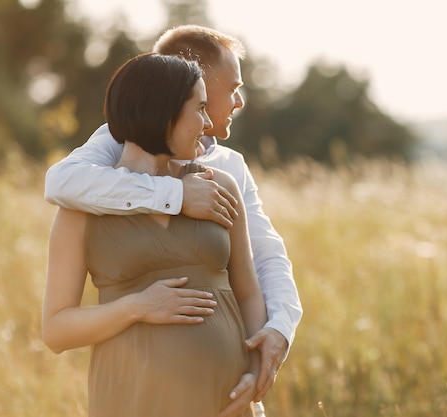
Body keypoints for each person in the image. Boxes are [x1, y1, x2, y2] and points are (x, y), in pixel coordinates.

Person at [44, 25, 302, 417]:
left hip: (226, 401)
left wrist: (256, 366)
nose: (209, 122)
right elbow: (56, 330)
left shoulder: (223, 178)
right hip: (132, 397)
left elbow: (260, 271)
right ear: (164, 112)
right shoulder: (82, 197)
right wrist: (138, 306)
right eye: (199, 109)